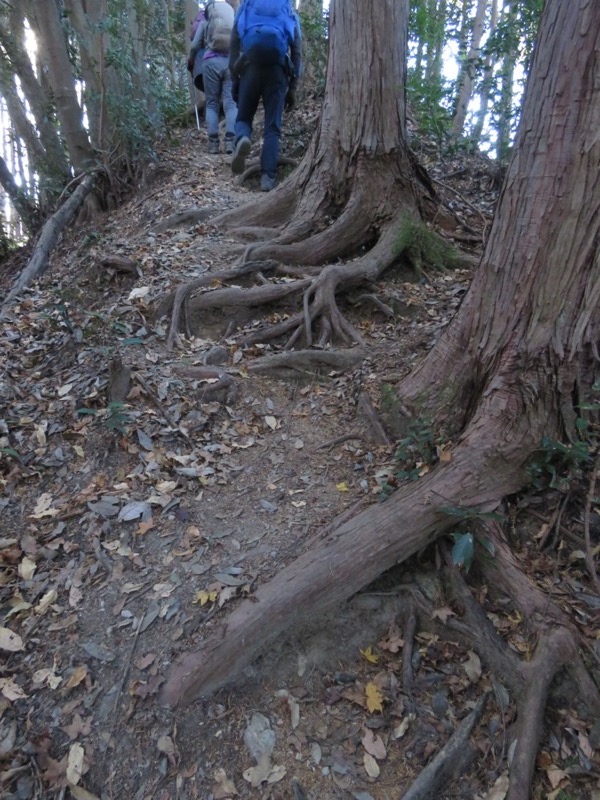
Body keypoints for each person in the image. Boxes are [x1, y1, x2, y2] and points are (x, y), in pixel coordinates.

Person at [229, 0, 302, 191]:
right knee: (272, 127)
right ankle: (267, 178)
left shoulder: (247, 5)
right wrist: (292, 88)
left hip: (249, 67)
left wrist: (235, 76)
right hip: (277, 70)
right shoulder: (287, 8)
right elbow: (297, 50)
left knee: (243, 117)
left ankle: (243, 138)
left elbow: (234, 41)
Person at [188, 2, 237, 155]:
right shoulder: (233, 22)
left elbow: (195, 46)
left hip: (210, 62)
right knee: (230, 103)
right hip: (230, 62)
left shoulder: (205, 23)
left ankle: (214, 144)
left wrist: (191, 60)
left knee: (212, 104)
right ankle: (230, 142)